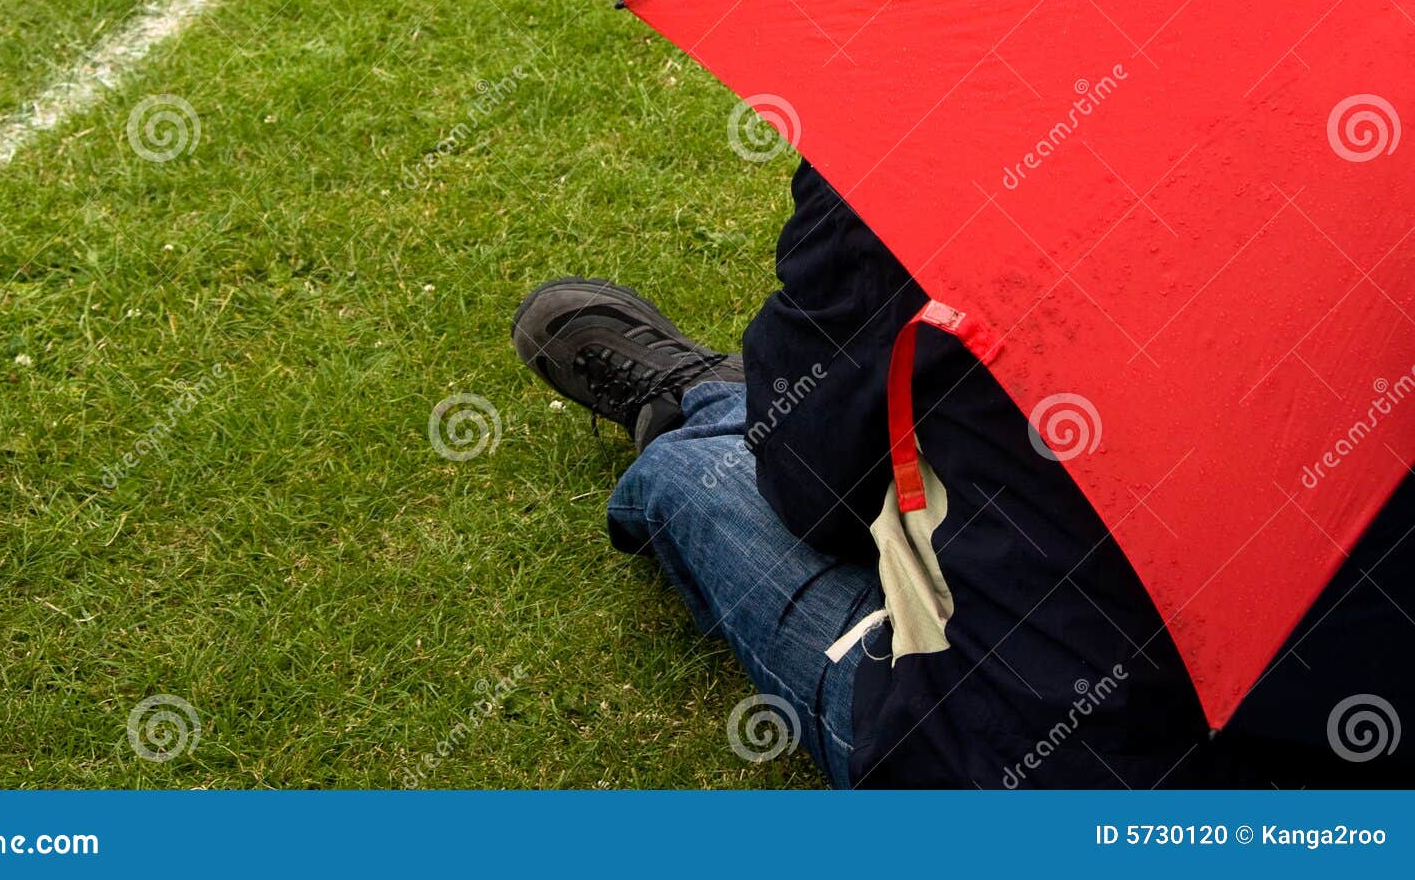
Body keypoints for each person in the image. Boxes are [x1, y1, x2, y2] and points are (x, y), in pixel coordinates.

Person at [513, 161, 1414, 789]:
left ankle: (698, 403)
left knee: (703, 475)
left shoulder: (926, 134)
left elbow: (807, 485)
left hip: (1047, 774)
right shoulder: (1370, 124)